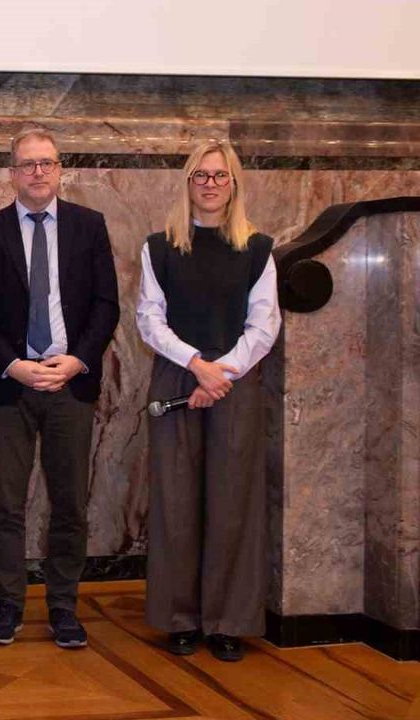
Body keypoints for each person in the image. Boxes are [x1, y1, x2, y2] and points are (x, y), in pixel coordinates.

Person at [0, 127, 119, 650]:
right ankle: (8, 605)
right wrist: (13, 365)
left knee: (69, 504)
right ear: (12, 173)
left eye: (46, 162)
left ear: (59, 169)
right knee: (6, 504)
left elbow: (106, 305)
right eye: (27, 164)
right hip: (10, 386)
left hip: (70, 384)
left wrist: (76, 361)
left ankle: (63, 607)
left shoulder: (89, 226)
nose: (37, 172)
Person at [137, 140, 279, 662]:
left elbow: (264, 324)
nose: (211, 184)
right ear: (188, 183)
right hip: (177, 378)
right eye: (201, 175)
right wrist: (197, 364)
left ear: (234, 183)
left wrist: (222, 373)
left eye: (220, 175)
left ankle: (226, 621)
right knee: (175, 501)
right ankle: (180, 619)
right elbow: (149, 319)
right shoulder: (159, 247)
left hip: (234, 384)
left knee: (232, 500)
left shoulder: (258, 249)